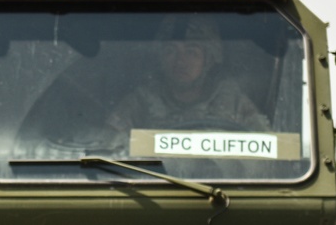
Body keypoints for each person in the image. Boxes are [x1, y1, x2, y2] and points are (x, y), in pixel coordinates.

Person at [109, 14, 271, 135]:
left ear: (208, 60)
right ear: (160, 59)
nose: (180, 61)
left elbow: (267, 154)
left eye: (192, 52)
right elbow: (109, 148)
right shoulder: (140, 103)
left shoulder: (234, 104)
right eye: (170, 51)